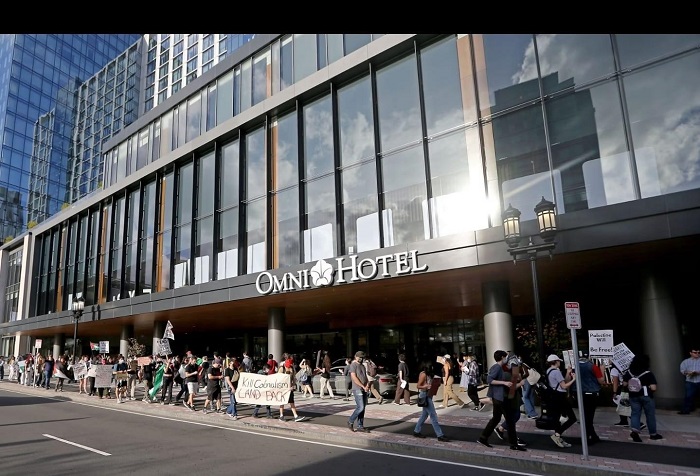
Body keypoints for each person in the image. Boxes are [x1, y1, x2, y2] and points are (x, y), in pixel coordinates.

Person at [477, 350, 525, 451]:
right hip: (501, 398)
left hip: (498, 398)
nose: (507, 358)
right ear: (502, 357)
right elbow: (489, 380)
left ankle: (483, 438)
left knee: (496, 419)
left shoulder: (499, 368)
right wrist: (504, 383)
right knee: (510, 421)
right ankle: (513, 444)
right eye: (506, 357)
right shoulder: (497, 367)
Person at [625, 354, 663, 442]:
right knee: (650, 415)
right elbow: (653, 388)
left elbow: (624, 384)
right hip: (646, 396)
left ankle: (635, 431)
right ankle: (653, 434)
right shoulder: (648, 373)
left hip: (633, 396)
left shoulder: (629, 372)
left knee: (635, 414)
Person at [413, 359, 450, 442]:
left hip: (429, 394)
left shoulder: (430, 374)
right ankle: (440, 435)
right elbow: (418, 386)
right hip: (424, 395)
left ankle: (416, 431)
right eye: (430, 366)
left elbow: (431, 383)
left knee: (424, 415)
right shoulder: (423, 374)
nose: (432, 367)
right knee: (433, 415)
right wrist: (426, 386)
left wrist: (436, 384)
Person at [545, 354, 577, 448]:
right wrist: (574, 379)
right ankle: (557, 435)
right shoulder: (556, 372)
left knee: (557, 418)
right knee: (572, 418)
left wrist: (568, 372)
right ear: (556, 362)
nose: (560, 362)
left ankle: (558, 437)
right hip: (560, 397)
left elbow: (563, 382)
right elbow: (564, 386)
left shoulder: (549, 371)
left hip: (553, 396)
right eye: (558, 361)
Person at [578, 353, 604, 444]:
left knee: (584, 415)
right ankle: (588, 436)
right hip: (591, 392)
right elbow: (601, 381)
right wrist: (602, 370)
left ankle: (591, 435)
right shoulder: (593, 367)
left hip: (579, 392)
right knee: (589, 415)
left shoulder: (575, 367)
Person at [347, 351, 370, 432]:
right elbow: (354, 377)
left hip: (364, 388)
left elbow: (365, 377)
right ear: (355, 356)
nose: (361, 358)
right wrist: (363, 386)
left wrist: (367, 385)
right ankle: (350, 421)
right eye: (359, 357)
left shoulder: (362, 366)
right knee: (360, 407)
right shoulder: (353, 365)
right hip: (357, 388)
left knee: (363, 408)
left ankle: (360, 426)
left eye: (362, 357)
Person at [678, 348, 700, 415]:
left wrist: (698, 372)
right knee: (688, 396)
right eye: (695, 352)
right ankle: (686, 410)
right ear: (690, 353)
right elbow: (682, 370)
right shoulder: (685, 362)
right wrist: (688, 372)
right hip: (690, 381)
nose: (697, 354)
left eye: (698, 352)